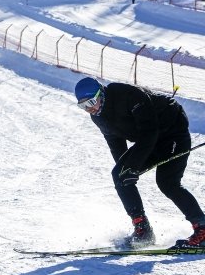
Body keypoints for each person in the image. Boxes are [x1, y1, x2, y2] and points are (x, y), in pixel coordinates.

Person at [74, 77, 205, 249]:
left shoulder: (127, 95)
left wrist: (134, 165)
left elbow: (149, 132)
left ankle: (202, 230)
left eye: (91, 102)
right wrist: (125, 172)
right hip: (148, 142)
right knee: (119, 176)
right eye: (83, 106)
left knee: (168, 183)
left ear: (101, 93)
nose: (89, 109)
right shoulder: (98, 117)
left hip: (172, 133)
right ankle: (143, 230)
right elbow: (115, 143)